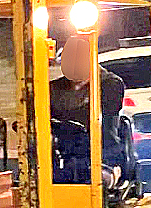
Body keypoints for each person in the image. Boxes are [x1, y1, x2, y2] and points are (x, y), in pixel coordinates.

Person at [50, 36, 125, 187]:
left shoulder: (110, 84)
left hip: (98, 155)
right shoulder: (51, 89)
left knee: (97, 181)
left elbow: (105, 127)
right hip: (59, 157)